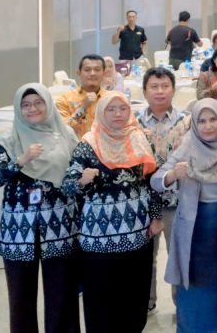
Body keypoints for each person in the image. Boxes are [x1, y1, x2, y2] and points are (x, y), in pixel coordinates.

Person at [61, 92, 163, 333]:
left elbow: (152, 181)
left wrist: (156, 216)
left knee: (134, 298)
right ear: (101, 112)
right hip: (99, 239)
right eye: (111, 109)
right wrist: (81, 180)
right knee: (101, 301)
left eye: (122, 108)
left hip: (137, 234)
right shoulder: (88, 143)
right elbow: (67, 185)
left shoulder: (139, 138)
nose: (118, 114)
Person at [0, 84, 79, 333]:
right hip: (18, 230)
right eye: (25, 105)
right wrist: (21, 160)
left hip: (60, 225)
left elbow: (76, 173)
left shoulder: (66, 135)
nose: (32, 109)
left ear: (48, 105)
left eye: (38, 103)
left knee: (62, 294)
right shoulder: (7, 140)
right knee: (21, 298)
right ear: (18, 109)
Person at [151, 99, 217, 333]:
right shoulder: (187, 147)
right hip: (194, 231)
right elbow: (156, 181)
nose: (208, 126)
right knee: (194, 286)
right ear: (194, 124)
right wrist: (172, 175)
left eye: (213, 119)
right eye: (201, 121)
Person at [138, 66, 187, 314]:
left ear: (173, 90)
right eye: (154, 87)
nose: (160, 91)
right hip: (143, 201)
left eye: (165, 86)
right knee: (146, 255)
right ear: (145, 91)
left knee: (179, 255)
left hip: (177, 200)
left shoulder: (187, 122)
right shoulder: (133, 122)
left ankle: (182, 304)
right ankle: (146, 302)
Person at [56, 54, 108, 138]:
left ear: (104, 73)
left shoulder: (112, 99)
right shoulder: (64, 100)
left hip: (105, 145)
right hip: (75, 145)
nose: (92, 73)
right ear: (79, 73)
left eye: (97, 70)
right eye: (87, 70)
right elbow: (62, 130)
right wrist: (82, 108)